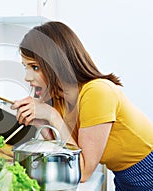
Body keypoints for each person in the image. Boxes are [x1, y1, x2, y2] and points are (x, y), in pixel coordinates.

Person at [11, 21, 153, 190]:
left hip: (148, 174)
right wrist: (44, 122)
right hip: (124, 178)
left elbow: (82, 171)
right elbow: (65, 156)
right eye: (25, 67)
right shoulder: (59, 99)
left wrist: (52, 116)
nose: (27, 77)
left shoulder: (98, 92)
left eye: (35, 67)